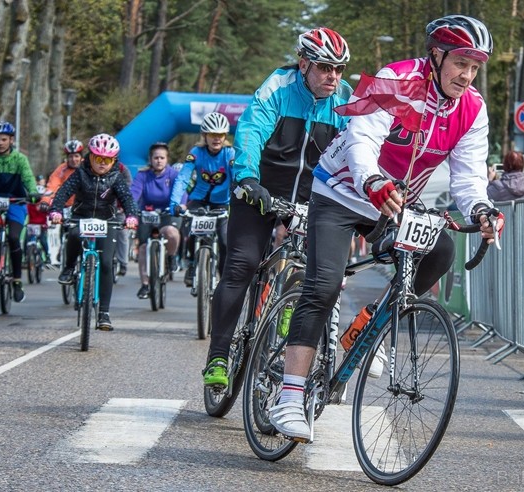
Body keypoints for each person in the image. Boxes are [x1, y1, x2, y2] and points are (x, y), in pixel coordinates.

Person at [267, 15, 503, 442]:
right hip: (342, 190)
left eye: (475, 67)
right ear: (437, 54)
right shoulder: (397, 79)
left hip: (395, 201)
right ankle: (288, 396)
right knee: (322, 286)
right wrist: (371, 180)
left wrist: (483, 208)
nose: (467, 75)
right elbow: (363, 138)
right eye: (461, 64)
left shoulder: (472, 108)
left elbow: (468, 177)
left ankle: (366, 327)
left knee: (441, 251)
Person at [202, 27, 353, 390]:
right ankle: (219, 355)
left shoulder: (345, 99)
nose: (333, 77)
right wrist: (248, 178)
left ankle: (286, 330)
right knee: (241, 265)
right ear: (303, 64)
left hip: (311, 199)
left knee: (314, 273)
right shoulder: (279, 87)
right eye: (324, 68)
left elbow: (357, 149)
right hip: (261, 191)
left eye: (339, 69)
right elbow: (252, 131)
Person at [49, 134, 139, 330]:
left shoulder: (116, 178)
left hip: (107, 221)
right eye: (98, 158)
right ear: (89, 157)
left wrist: (132, 216)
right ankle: (69, 267)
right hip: (81, 217)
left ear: (114, 160)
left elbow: (127, 199)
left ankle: (104, 313)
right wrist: (55, 210)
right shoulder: (80, 174)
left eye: (107, 160)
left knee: (106, 263)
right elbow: (63, 192)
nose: (102, 164)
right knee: (72, 235)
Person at [169, 112, 234, 287]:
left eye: (220, 134)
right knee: (192, 230)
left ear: (224, 136)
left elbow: (236, 179)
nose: (216, 139)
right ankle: (191, 263)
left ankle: (224, 280)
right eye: (212, 134)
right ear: (205, 135)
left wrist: (239, 202)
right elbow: (183, 178)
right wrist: (175, 202)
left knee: (225, 240)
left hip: (222, 202)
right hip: (199, 199)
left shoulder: (229, 154)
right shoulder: (196, 153)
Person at [0, 121, 37, 302]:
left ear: (11, 140)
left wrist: (33, 192)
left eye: (4, 139)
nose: (0, 143)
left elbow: (28, 178)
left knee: (14, 237)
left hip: (16, 200)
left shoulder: (20, 159)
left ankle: (16, 280)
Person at [130, 142, 183, 299]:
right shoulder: (143, 175)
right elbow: (134, 192)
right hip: (147, 212)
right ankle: (145, 284)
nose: (159, 160)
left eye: (162, 158)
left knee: (171, 232)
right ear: (150, 159)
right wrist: (131, 207)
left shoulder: (174, 175)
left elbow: (181, 192)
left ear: (167, 159)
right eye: (156, 158)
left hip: (169, 212)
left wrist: (181, 205)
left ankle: (172, 257)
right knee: (144, 247)